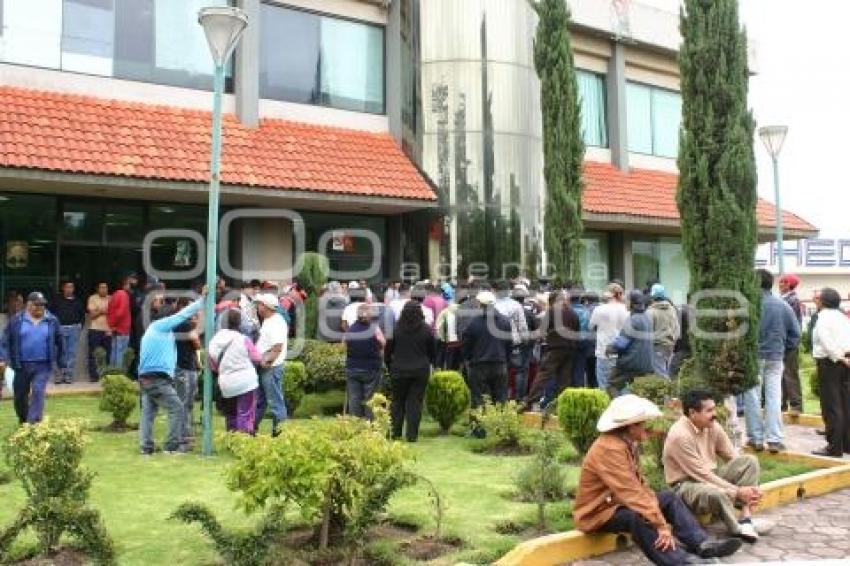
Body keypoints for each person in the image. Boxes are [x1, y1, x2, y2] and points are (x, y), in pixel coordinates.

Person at [573, 394, 743, 566]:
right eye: (642, 424)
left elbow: (640, 484)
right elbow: (631, 493)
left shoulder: (625, 443)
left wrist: (654, 507)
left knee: (669, 498)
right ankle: (680, 561)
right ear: (631, 427)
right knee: (637, 517)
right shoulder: (609, 449)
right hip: (599, 513)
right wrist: (660, 525)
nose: (646, 428)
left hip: (618, 504)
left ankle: (702, 544)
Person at [663, 389, 765, 543]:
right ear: (692, 413)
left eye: (714, 408)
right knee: (717, 493)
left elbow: (732, 456)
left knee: (750, 461)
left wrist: (750, 490)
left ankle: (746, 517)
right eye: (709, 410)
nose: (715, 414)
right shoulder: (680, 435)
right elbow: (701, 475)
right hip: (686, 485)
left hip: (710, 476)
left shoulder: (712, 425)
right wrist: (737, 492)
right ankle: (737, 529)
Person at [137, 291, 205, 455]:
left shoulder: (156, 332)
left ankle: (146, 448)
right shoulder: (161, 326)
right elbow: (183, 315)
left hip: (147, 377)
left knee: (148, 412)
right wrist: (202, 300)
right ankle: (170, 447)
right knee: (177, 408)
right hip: (156, 378)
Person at [743, 270, 800, 453]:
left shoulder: (748, 306)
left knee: (752, 397)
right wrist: (784, 350)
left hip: (754, 356)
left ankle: (756, 438)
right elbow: (796, 334)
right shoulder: (783, 305)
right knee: (774, 398)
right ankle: (774, 439)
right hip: (776, 356)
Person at [0, 292, 63, 424]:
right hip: (20, 365)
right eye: (37, 305)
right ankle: (24, 419)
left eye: (42, 305)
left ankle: (33, 422)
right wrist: (3, 359)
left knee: (38, 391)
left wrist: (60, 360)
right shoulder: (17, 320)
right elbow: (5, 341)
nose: (40, 307)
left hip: (43, 365)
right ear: (28, 305)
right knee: (19, 396)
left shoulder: (52, 320)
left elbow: (59, 340)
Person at [385, 302, 434, 441]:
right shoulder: (426, 330)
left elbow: (388, 352)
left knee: (397, 401)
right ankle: (412, 435)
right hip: (420, 371)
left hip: (399, 370)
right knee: (415, 403)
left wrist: (390, 365)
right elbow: (432, 351)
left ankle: (395, 432)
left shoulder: (396, 329)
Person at [209, 309, 263, 434]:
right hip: (247, 383)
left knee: (231, 413)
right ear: (239, 323)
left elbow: (212, 364)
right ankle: (244, 441)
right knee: (246, 413)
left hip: (227, 384)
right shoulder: (243, 339)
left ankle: (231, 439)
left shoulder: (214, 341)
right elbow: (257, 358)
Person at [523, 291, 579, 409]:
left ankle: (530, 401)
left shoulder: (552, 310)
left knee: (544, 374)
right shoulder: (573, 312)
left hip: (555, 348)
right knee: (565, 379)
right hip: (571, 349)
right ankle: (561, 406)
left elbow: (541, 332)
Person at [811, 287, 850, 457]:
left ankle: (834, 447)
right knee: (845, 403)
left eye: (818, 298)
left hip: (830, 363)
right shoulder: (842, 317)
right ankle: (846, 444)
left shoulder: (823, 318)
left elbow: (826, 342)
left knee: (831, 406)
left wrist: (839, 357)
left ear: (823, 301)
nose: (815, 300)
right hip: (844, 361)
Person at [462, 290, 513, 408]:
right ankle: (500, 424)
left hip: (479, 365)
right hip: (500, 364)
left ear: (480, 304)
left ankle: (479, 426)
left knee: (479, 399)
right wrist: (506, 359)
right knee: (500, 398)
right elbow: (509, 344)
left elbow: (466, 346)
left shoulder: (473, 323)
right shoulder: (505, 321)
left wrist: (469, 359)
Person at [607, 291, 655, 396]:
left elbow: (621, 344)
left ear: (632, 303)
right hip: (647, 365)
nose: (625, 302)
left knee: (612, 384)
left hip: (631, 364)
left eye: (627, 300)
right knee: (638, 392)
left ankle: (619, 410)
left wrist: (610, 348)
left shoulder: (633, 320)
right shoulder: (647, 318)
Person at [253, 293, 289, 436]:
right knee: (260, 400)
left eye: (259, 304)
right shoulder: (269, 320)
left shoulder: (276, 322)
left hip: (271, 368)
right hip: (266, 367)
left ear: (265, 306)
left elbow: (277, 348)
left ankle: (279, 433)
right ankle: (251, 430)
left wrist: (266, 361)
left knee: (275, 402)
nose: (257, 307)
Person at [344, 303, 385, 419]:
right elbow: (383, 343)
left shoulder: (351, 329)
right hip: (371, 368)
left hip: (352, 368)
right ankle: (370, 424)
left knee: (354, 398)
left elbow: (345, 344)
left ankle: (355, 423)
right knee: (370, 398)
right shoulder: (374, 328)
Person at [589, 283, 629, 392]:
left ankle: (607, 406)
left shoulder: (599, 309)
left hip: (603, 350)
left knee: (603, 384)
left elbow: (591, 326)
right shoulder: (626, 310)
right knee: (622, 385)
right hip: (621, 351)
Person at [173, 299, 201, 448]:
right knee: (184, 402)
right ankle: (183, 436)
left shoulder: (181, 323)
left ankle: (186, 433)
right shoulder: (183, 324)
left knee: (187, 402)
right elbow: (196, 342)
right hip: (183, 367)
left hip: (186, 366)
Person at [48, 280, 86, 384]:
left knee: (71, 353)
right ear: (63, 288)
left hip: (74, 329)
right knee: (60, 353)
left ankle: (68, 375)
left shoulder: (78, 301)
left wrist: (79, 326)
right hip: (60, 329)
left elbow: (82, 315)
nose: (69, 289)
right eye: (67, 287)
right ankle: (59, 375)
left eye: (71, 287)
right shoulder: (57, 300)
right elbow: (49, 314)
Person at [778, 274, 804, 415]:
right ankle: (782, 404)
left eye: (783, 282)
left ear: (789, 285)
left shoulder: (792, 300)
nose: (780, 284)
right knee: (782, 374)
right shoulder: (784, 299)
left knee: (790, 374)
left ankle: (796, 406)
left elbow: (792, 324)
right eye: (780, 281)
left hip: (789, 343)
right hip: (783, 342)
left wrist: (790, 342)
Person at [647, 284, 680, 378]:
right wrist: (673, 340)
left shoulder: (650, 312)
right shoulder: (672, 309)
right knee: (666, 370)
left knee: (660, 373)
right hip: (670, 345)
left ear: (652, 296)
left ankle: (668, 391)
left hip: (657, 345)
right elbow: (677, 328)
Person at [107, 274, 134, 369]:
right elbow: (120, 312)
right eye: (128, 284)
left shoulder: (114, 295)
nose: (130, 286)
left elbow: (110, 311)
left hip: (116, 328)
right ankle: (119, 375)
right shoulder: (123, 295)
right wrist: (114, 325)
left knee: (114, 352)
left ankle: (112, 374)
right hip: (122, 329)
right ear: (124, 284)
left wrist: (111, 325)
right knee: (120, 353)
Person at [86, 282, 111, 382]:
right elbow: (92, 315)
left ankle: (106, 375)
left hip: (108, 330)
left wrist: (98, 310)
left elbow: (112, 313)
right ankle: (93, 376)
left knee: (108, 354)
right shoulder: (92, 298)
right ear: (97, 289)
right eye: (101, 288)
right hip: (95, 329)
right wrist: (102, 311)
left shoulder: (111, 298)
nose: (104, 289)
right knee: (93, 354)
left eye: (105, 287)